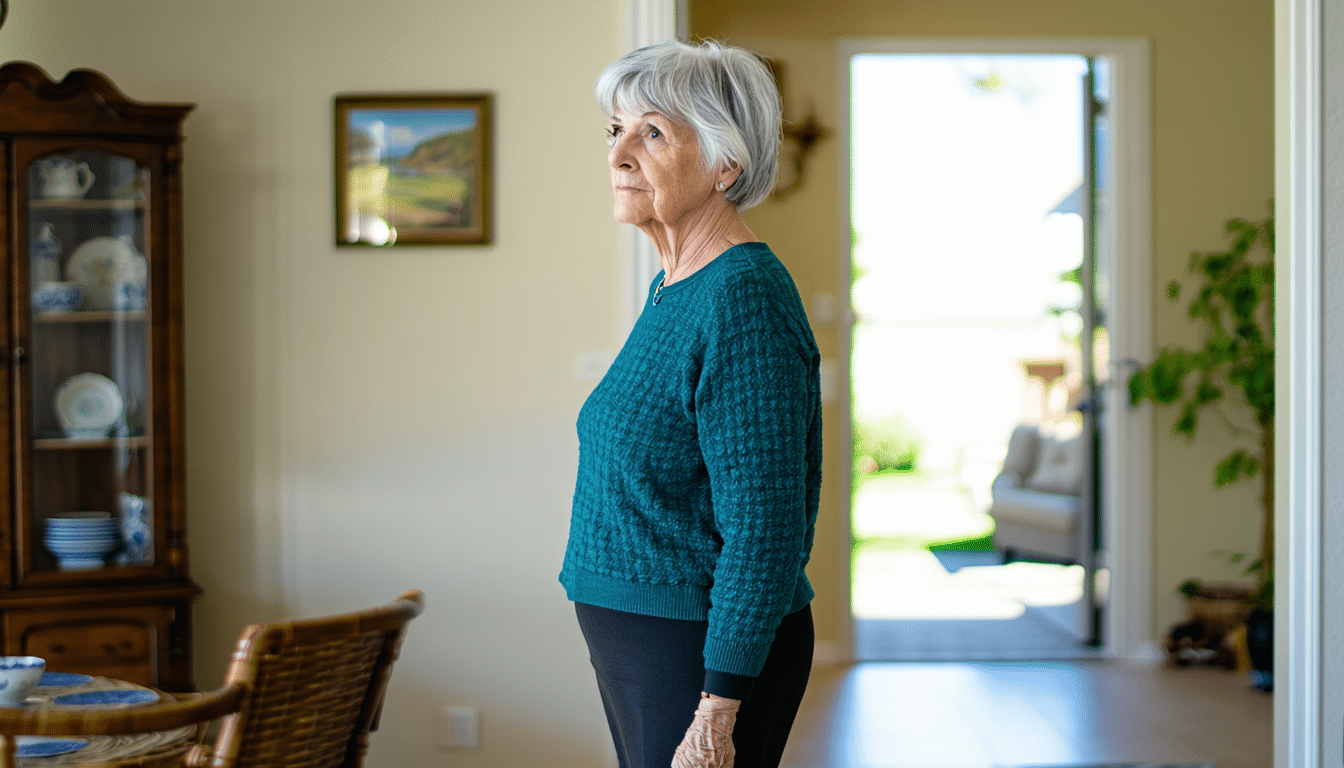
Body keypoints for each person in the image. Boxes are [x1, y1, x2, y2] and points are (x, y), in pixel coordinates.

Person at [559, 39, 822, 768]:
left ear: (724, 164)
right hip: (647, 643)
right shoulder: (675, 286)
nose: (618, 155)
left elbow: (765, 530)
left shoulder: (743, 299)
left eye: (652, 133)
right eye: (615, 131)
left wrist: (718, 708)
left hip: (701, 656)